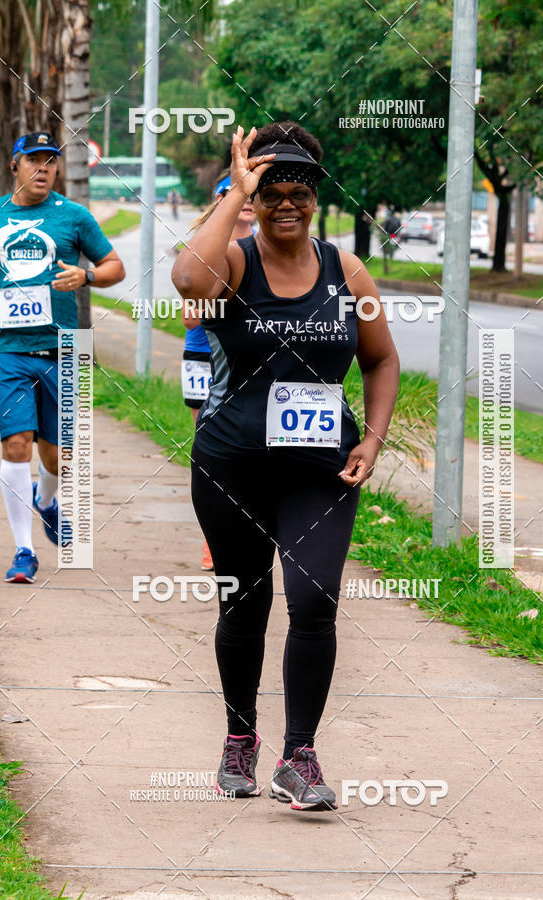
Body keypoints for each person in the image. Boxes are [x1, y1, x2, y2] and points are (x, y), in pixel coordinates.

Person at [172, 122, 399, 811]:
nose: (287, 204)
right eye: (271, 194)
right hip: (231, 464)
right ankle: (240, 739)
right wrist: (233, 194)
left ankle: (298, 756)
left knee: (314, 601)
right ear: (255, 199)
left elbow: (381, 359)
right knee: (245, 602)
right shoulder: (234, 262)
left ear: (316, 196)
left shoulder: (346, 270)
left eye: (299, 191)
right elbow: (188, 279)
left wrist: (375, 437)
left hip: (319, 469)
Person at [0, 132, 125, 583]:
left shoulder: (74, 216)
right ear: (15, 166)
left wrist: (86, 276)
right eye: (34, 161)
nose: (44, 169)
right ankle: (24, 552)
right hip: (6, 346)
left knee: (57, 459)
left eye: (51, 162)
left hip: (65, 349)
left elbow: (114, 267)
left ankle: (46, 502)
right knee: (15, 444)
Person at [181, 168, 256, 571]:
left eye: (247, 192)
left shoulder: (270, 247)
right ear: (219, 202)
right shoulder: (207, 247)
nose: (242, 199)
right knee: (210, 445)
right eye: (230, 192)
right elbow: (190, 318)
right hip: (204, 357)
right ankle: (214, 538)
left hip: (249, 359)